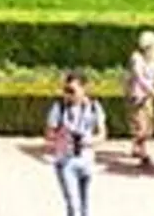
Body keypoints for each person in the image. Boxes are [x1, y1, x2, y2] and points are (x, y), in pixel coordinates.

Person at [46, 71, 107, 216]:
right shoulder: (59, 107)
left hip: (87, 160)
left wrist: (90, 141)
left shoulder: (94, 107)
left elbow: (103, 134)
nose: (67, 95)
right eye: (65, 90)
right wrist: (63, 137)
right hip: (65, 161)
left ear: (83, 89)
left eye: (71, 91)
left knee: (86, 207)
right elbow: (49, 134)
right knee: (73, 206)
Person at [126, 30, 154, 167]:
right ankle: (142, 153)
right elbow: (139, 77)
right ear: (147, 46)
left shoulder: (153, 59)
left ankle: (137, 147)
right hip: (136, 96)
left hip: (147, 97)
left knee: (149, 125)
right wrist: (151, 90)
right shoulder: (136, 58)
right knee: (140, 125)